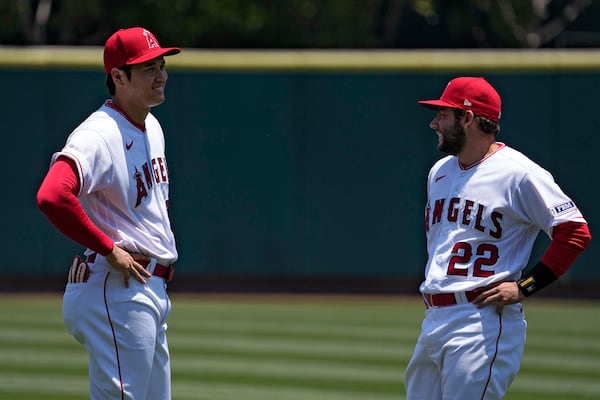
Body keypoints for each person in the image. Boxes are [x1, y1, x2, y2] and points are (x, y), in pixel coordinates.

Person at [405, 76, 591, 399]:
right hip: (434, 319)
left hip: (480, 322)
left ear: (468, 118)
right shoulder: (439, 172)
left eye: (443, 114)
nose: (434, 122)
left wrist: (525, 286)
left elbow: (574, 231)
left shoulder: (519, 173)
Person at [36, 27, 180, 399]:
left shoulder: (151, 125)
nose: (160, 74)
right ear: (118, 76)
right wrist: (107, 247)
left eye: (161, 64)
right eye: (148, 68)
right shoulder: (98, 134)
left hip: (147, 288)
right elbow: (53, 194)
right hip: (117, 289)